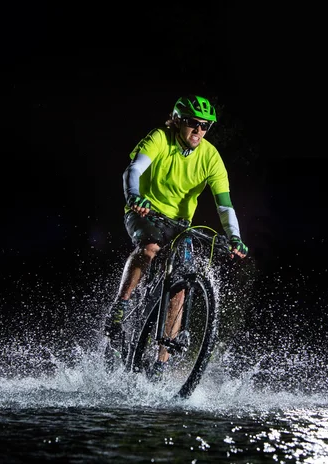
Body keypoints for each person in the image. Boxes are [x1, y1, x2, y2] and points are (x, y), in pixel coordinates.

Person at [104, 94, 248, 368]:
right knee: (150, 247)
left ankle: (161, 363)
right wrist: (134, 197)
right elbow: (133, 170)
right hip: (145, 212)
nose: (199, 131)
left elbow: (225, 205)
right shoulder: (160, 137)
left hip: (180, 225)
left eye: (206, 126)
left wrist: (235, 238)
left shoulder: (210, 157)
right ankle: (120, 306)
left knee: (180, 289)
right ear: (177, 121)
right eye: (193, 123)